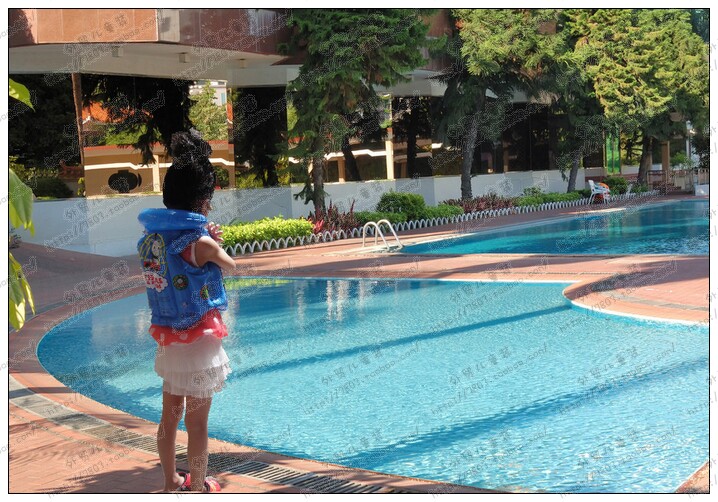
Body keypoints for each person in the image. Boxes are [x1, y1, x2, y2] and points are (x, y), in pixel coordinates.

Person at [137, 130, 236, 492]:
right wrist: (213, 241)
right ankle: (196, 488)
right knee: (197, 424)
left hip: (169, 337)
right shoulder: (202, 241)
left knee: (169, 418)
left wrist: (205, 239)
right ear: (203, 200)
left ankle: (170, 481)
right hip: (199, 341)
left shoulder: (153, 239)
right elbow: (232, 265)